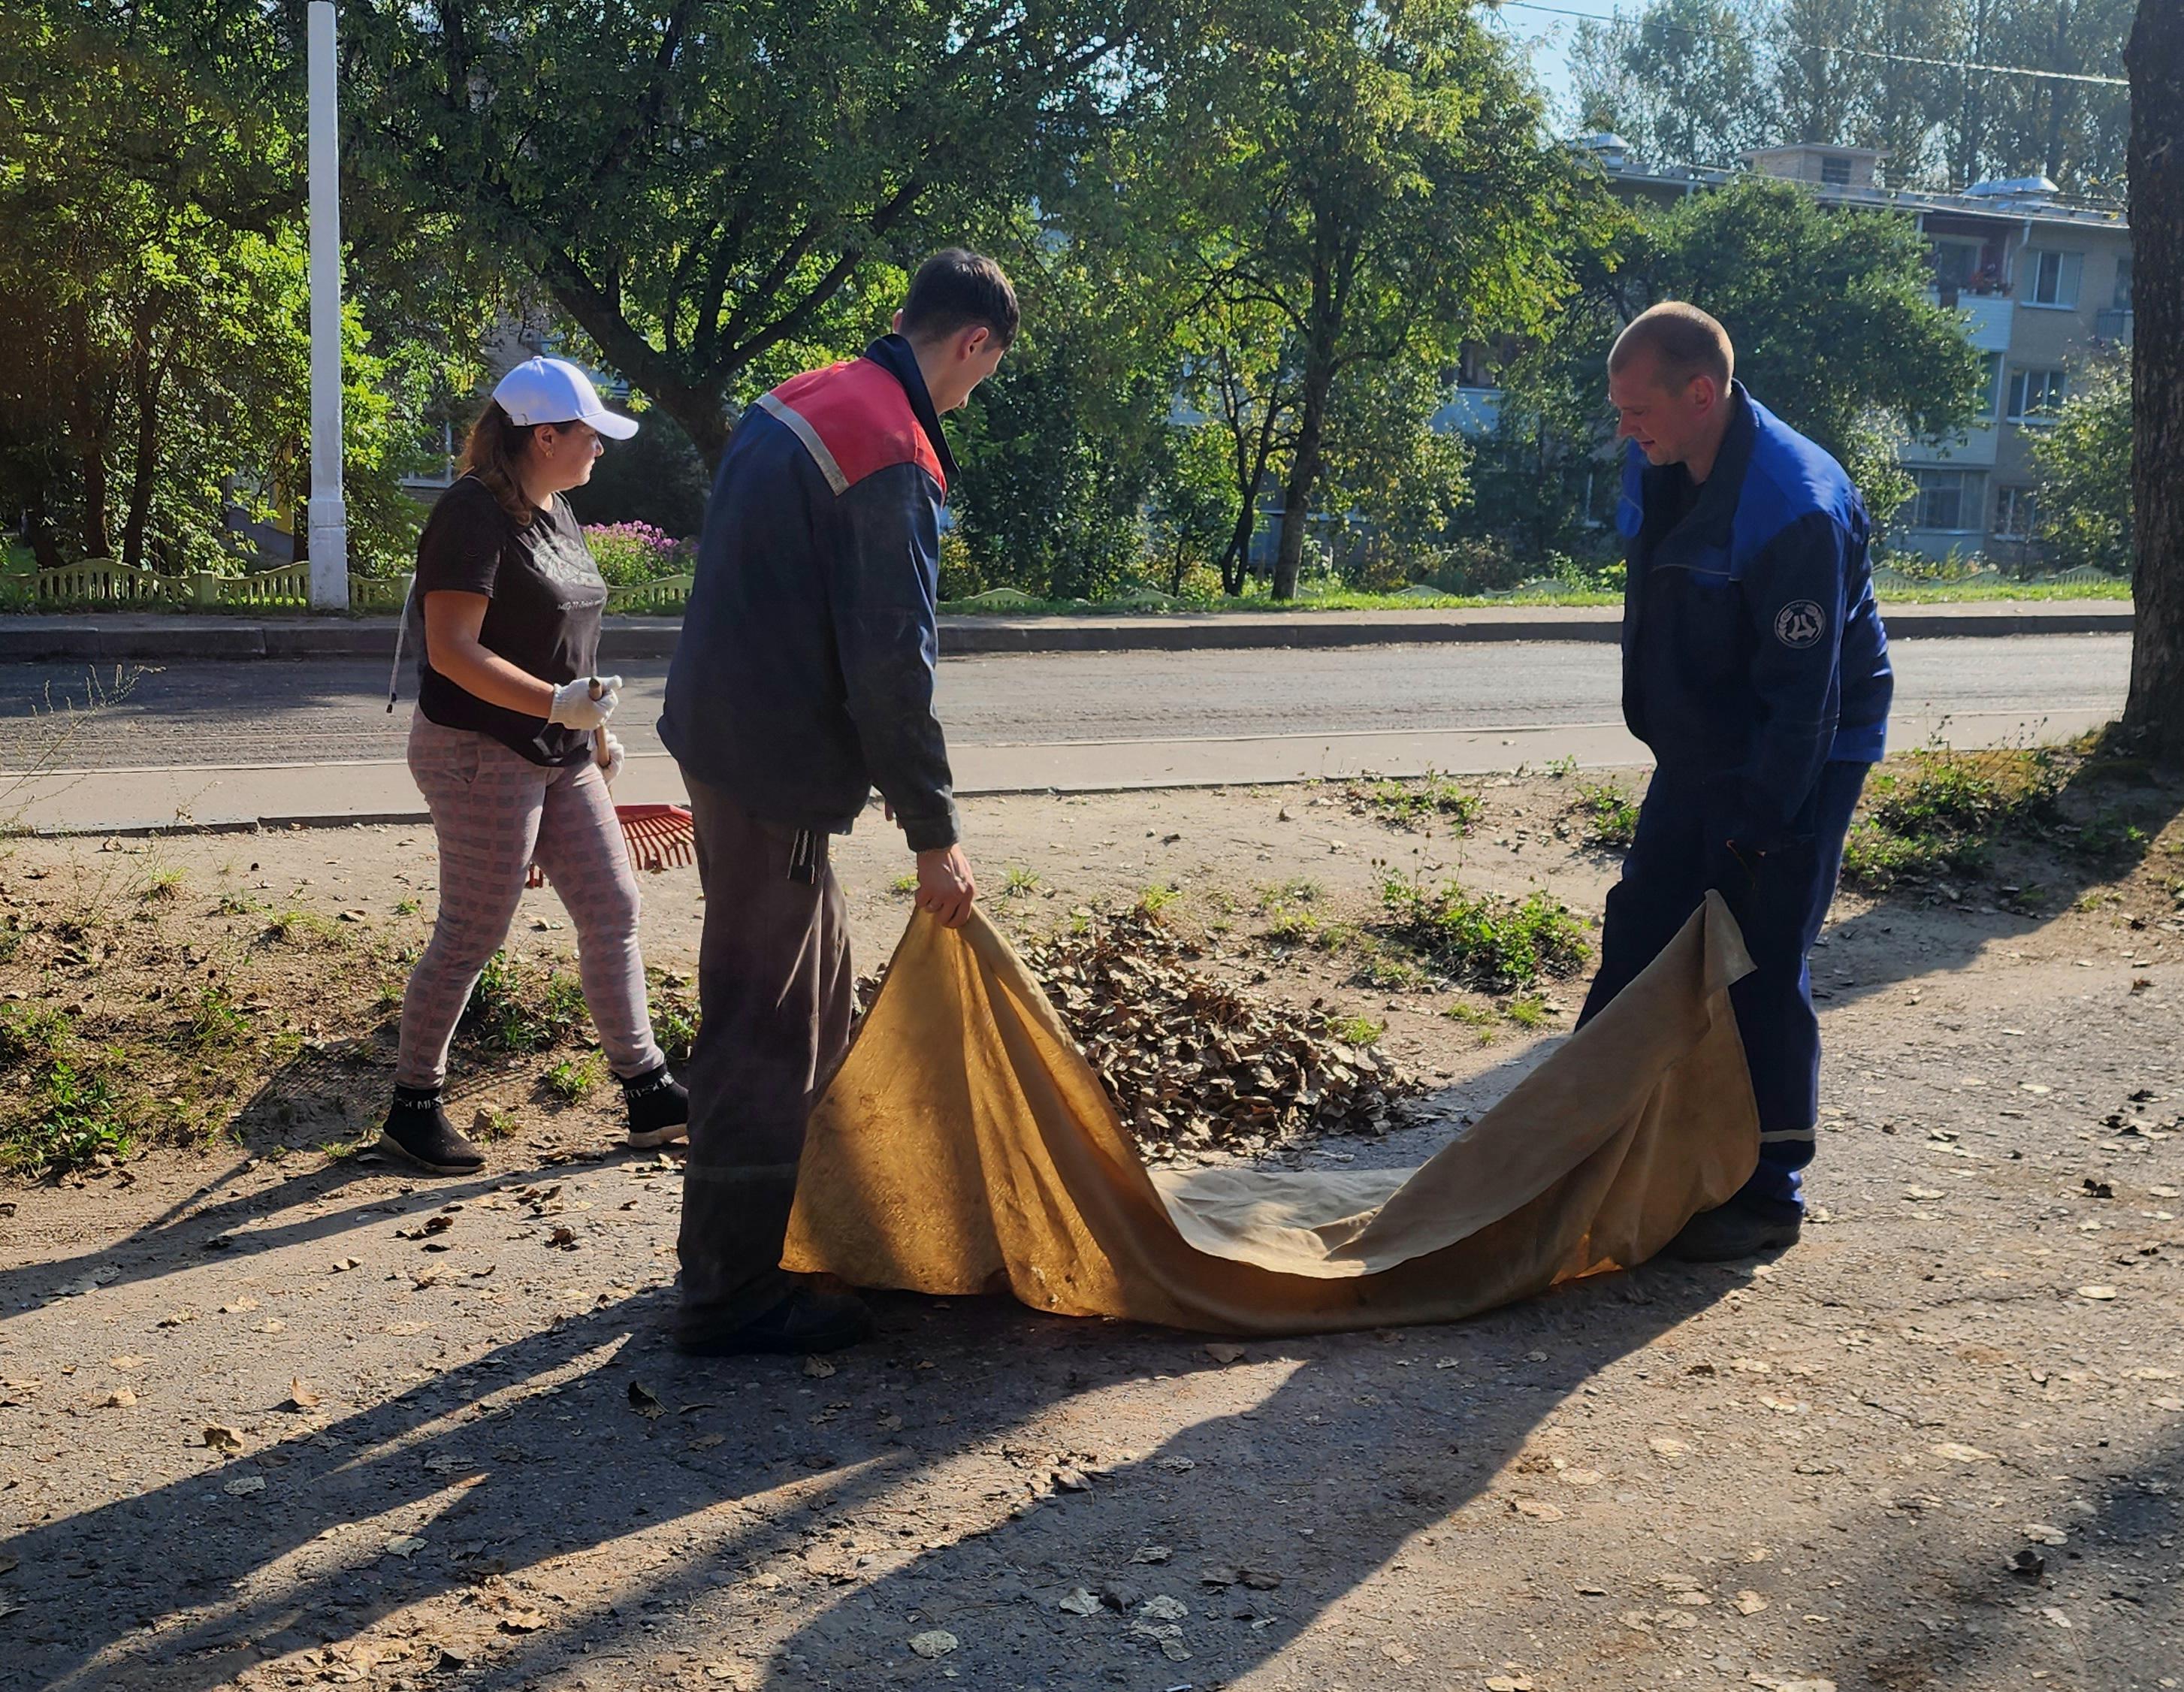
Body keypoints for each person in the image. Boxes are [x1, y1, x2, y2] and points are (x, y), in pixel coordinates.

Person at [659, 249, 1016, 1355]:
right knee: (766, 1021)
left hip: (721, 740)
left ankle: (766, 1241)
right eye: (982, 376)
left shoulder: (802, 396)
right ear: (971, 345)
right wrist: (935, 836)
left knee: (807, 997)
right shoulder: (892, 449)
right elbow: (890, 669)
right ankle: (729, 1290)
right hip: (773, 766)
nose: (970, 396)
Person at [1576, 302, 1892, 1261]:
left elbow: (1804, 706)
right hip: (1704, 740)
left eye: (1637, 411)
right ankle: (1575, 1136)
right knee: (1642, 921)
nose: (1625, 430)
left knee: (1759, 954)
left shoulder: (1792, 507)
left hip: (1802, 748)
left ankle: (1768, 1192)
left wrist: (1761, 826)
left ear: (1701, 393)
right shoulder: (1665, 455)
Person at [380, 357, 688, 1174]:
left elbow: (563, 633)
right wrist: (557, 705)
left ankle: (648, 1090)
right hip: (477, 753)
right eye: (590, 435)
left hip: (558, 751)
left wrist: (589, 729)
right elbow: (451, 652)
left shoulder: (555, 510)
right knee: (474, 929)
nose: (601, 449)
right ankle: (414, 1106)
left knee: (614, 904)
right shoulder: (470, 515)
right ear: (544, 436)